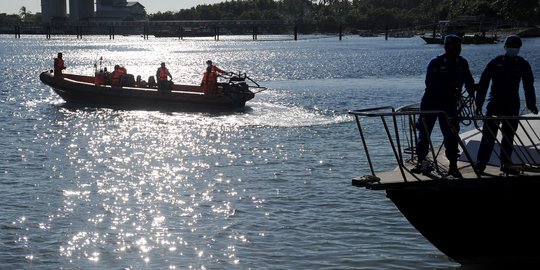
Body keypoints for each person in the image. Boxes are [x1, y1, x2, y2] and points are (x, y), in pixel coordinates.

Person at [412, 34, 476, 178]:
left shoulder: (462, 63)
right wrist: (449, 85)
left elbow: (468, 80)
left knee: (452, 134)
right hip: (431, 101)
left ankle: (453, 165)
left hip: (450, 103)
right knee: (424, 132)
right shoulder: (436, 62)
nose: (456, 50)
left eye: (458, 47)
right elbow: (430, 83)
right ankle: (421, 161)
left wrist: (473, 88)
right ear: (446, 47)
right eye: (453, 47)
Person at [474, 35, 538, 175]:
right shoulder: (495, 62)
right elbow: (483, 84)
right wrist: (478, 104)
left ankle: (506, 164)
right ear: (505, 47)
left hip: (512, 104)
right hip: (494, 104)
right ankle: (480, 164)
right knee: (488, 136)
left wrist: (531, 104)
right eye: (511, 46)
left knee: (508, 137)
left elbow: (529, 85)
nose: (514, 49)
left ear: (519, 48)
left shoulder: (523, 63)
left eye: (516, 47)